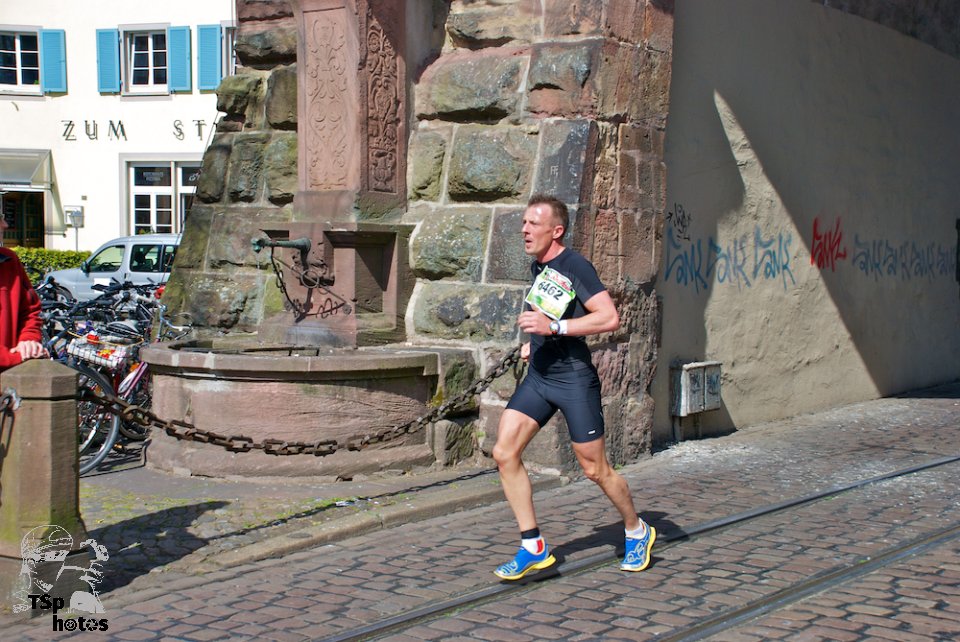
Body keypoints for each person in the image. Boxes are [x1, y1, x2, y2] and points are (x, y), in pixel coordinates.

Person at [492, 194, 655, 580]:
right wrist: (535, 341)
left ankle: (637, 530)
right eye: (524, 223)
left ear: (556, 230)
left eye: (533, 224)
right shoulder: (539, 265)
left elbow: (609, 317)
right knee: (504, 452)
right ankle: (533, 546)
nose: (525, 230)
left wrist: (554, 328)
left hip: (573, 380)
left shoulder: (575, 265)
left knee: (594, 469)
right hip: (540, 377)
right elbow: (550, 311)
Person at [0, 218, 46, 371]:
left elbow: (30, 311)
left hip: (11, 379)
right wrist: (19, 357)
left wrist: (28, 340)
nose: (5, 225)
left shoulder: (9, 260)